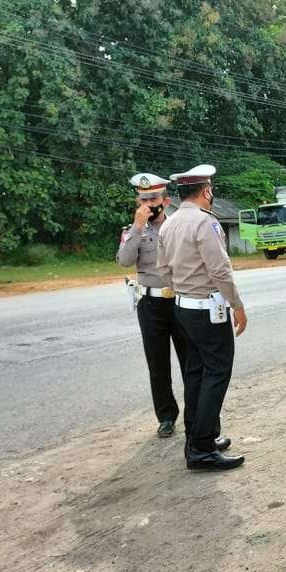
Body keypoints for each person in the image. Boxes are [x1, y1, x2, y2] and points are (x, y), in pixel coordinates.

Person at [157, 165, 246, 471]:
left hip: (183, 307)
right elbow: (219, 270)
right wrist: (237, 304)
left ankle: (195, 439)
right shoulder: (204, 223)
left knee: (196, 374)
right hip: (209, 310)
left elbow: (163, 269)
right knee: (217, 372)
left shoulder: (169, 224)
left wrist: (183, 289)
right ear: (206, 191)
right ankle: (203, 446)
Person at [116, 173, 188, 438]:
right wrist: (136, 228)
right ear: (138, 200)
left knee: (189, 360)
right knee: (157, 364)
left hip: (179, 300)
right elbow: (124, 261)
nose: (149, 203)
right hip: (150, 303)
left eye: (154, 198)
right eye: (144, 199)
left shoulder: (179, 226)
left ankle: (194, 415)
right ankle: (166, 416)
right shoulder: (131, 231)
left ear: (166, 200)